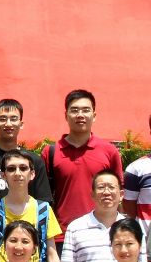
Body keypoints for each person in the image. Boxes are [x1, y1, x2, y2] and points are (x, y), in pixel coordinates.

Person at [62, 170, 144, 262]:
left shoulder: (133, 227)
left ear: (121, 194)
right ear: (92, 195)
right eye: (101, 187)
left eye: (111, 187)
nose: (106, 192)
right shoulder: (75, 227)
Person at [42, 89, 121, 221]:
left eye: (85, 110)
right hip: (62, 229)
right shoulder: (50, 152)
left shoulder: (109, 151)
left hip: (102, 227)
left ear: (94, 115)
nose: (80, 115)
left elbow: (119, 192)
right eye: (74, 110)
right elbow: (42, 197)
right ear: (66, 115)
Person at [0, 98, 52, 207]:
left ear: (21, 124)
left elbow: (43, 200)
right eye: (3, 119)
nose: (8, 124)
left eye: (13, 119)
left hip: (27, 218)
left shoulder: (34, 160)